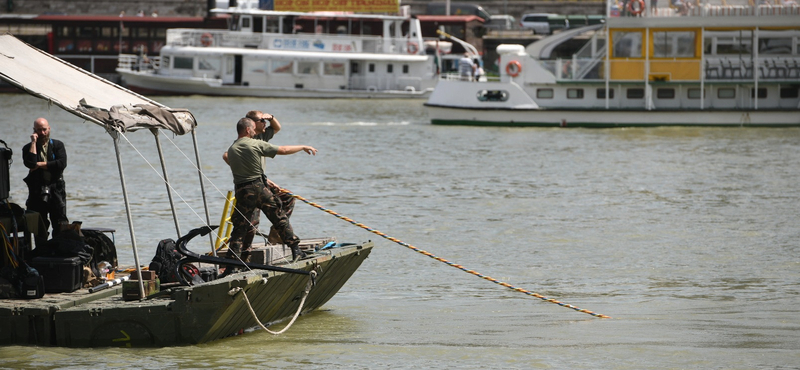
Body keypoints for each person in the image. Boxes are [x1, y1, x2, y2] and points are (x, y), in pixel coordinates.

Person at [225, 117, 317, 264]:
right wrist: (303, 146)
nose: (255, 132)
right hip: (258, 188)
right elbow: (284, 150)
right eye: (253, 129)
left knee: (239, 228)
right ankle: (295, 250)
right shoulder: (254, 144)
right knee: (279, 217)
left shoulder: (232, 149)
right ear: (248, 130)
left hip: (242, 191)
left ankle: (231, 264)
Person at [223, 110, 293, 244]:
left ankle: (276, 233)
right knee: (250, 222)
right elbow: (226, 155)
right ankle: (244, 253)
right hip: (250, 186)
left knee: (287, 197)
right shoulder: (243, 141)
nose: (265, 123)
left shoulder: (261, 136)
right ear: (252, 125)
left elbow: (277, 127)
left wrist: (271, 117)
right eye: (262, 121)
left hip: (261, 183)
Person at [22, 118, 68, 248]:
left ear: (49, 129)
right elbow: (29, 163)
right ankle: (41, 252)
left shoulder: (57, 145)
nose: (42, 133)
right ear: (34, 131)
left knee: (59, 222)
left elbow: (61, 164)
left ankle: (59, 251)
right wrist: (33, 142)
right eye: (38, 130)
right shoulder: (28, 147)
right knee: (39, 224)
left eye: (44, 129)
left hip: (56, 190)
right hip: (37, 190)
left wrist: (40, 164)